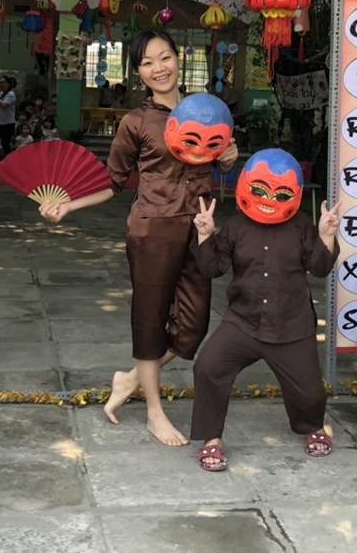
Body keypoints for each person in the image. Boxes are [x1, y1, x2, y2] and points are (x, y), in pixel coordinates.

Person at [39, 29, 239, 446]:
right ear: (138, 72)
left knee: (193, 327)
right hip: (152, 229)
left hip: (200, 228)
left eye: (164, 57)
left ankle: (131, 379)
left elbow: (216, 159)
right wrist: (69, 206)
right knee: (150, 320)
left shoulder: (206, 111)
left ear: (178, 59)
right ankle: (154, 412)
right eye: (147, 63)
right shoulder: (136, 121)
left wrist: (227, 159)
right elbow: (111, 180)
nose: (159, 68)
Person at [188, 151, 341, 472]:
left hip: (291, 325)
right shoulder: (236, 226)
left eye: (281, 194)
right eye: (260, 190)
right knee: (208, 366)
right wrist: (205, 235)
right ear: (245, 186)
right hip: (243, 322)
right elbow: (214, 268)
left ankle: (312, 426)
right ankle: (211, 439)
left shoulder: (300, 226)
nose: (269, 200)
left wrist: (326, 235)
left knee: (310, 392)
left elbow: (319, 268)